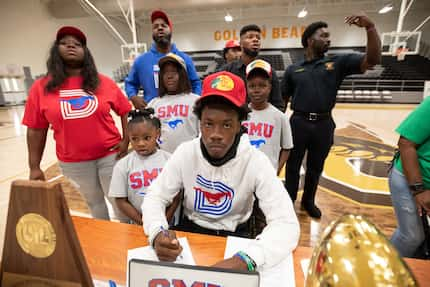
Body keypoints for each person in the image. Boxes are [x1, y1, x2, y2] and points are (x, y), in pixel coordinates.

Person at [142, 71, 299, 270]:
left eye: (226, 124)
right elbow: (155, 196)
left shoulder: (256, 161)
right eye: (209, 124)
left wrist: (247, 259)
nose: (216, 134)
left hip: (238, 237)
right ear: (200, 122)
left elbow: (286, 223)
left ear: (239, 125)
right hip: (190, 233)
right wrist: (157, 231)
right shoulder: (185, 152)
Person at [22, 26, 131, 221]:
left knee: (119, 202)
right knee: (95, 203)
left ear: (85, 52)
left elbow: (125, 111)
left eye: (77, 44)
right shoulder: (41, 88)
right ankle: (105, 240)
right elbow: (36, 130)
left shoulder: (103, 82)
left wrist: (125, 140)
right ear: (56, 50)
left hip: (110, 156)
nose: (71, 45)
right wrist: (34, 166)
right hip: (74, 163)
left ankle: (129, 244)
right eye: (64, 43)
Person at [282, 15, 381, 218]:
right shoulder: (293, 69)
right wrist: (279, 128)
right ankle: (288, 201)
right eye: (324, 36)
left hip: (324, 124)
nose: (329, 40)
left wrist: (370, 28)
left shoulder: (338, 62)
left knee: (316, 167)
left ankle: (308, 201)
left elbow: (373, 60)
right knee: (292, 166)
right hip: (298, 122)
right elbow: (283, 101)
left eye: (329, 36)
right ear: (310, 40)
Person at [125, 10, 201, 110]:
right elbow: (130, 83)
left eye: (164, 25)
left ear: (170, 30)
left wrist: (194, 102)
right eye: (155, 27)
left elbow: (196, 83)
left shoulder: (185, 59)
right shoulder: (141, 61)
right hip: (151, 113)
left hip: (180, 113)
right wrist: (133, 97)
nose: (160, 28)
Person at [109, 109, 171, 225]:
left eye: (147, 138)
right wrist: (143, 222)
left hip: (170, 222)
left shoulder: (169, 160)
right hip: (139, 224)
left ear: (157, 134)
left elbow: (177, 195)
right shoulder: (123, 165)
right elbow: (121, 200)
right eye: (134, 139)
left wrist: (166, 219)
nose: (140, 143)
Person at [389, 97, 430, 258]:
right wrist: (418, 191)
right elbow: (405, 144)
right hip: (411, 179)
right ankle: (386, 274)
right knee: (411, 236)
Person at [242, 59, 293, 174]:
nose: (256, 90)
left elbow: (287, 147)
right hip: (242, 174)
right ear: (246, 87)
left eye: (262, 85)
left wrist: (277, 170)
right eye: (252, 86)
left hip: (267, 175)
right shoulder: (240, 115)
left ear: (270, 88)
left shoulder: (280, 117)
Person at [218, 24, 284, 111]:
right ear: (241, 43)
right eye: (250, 37)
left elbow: (278, 105)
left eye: (258, 38)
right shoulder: (226, 71)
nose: (255, 40)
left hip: (261, 123)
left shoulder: (269, 70)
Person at [147, 53, 199, 153]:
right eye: (165, 73)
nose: (169, 76)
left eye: (174, 72)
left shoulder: (196, 101)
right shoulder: (153, 104)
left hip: (190, 158)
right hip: (163, 161)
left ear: (183, 75)